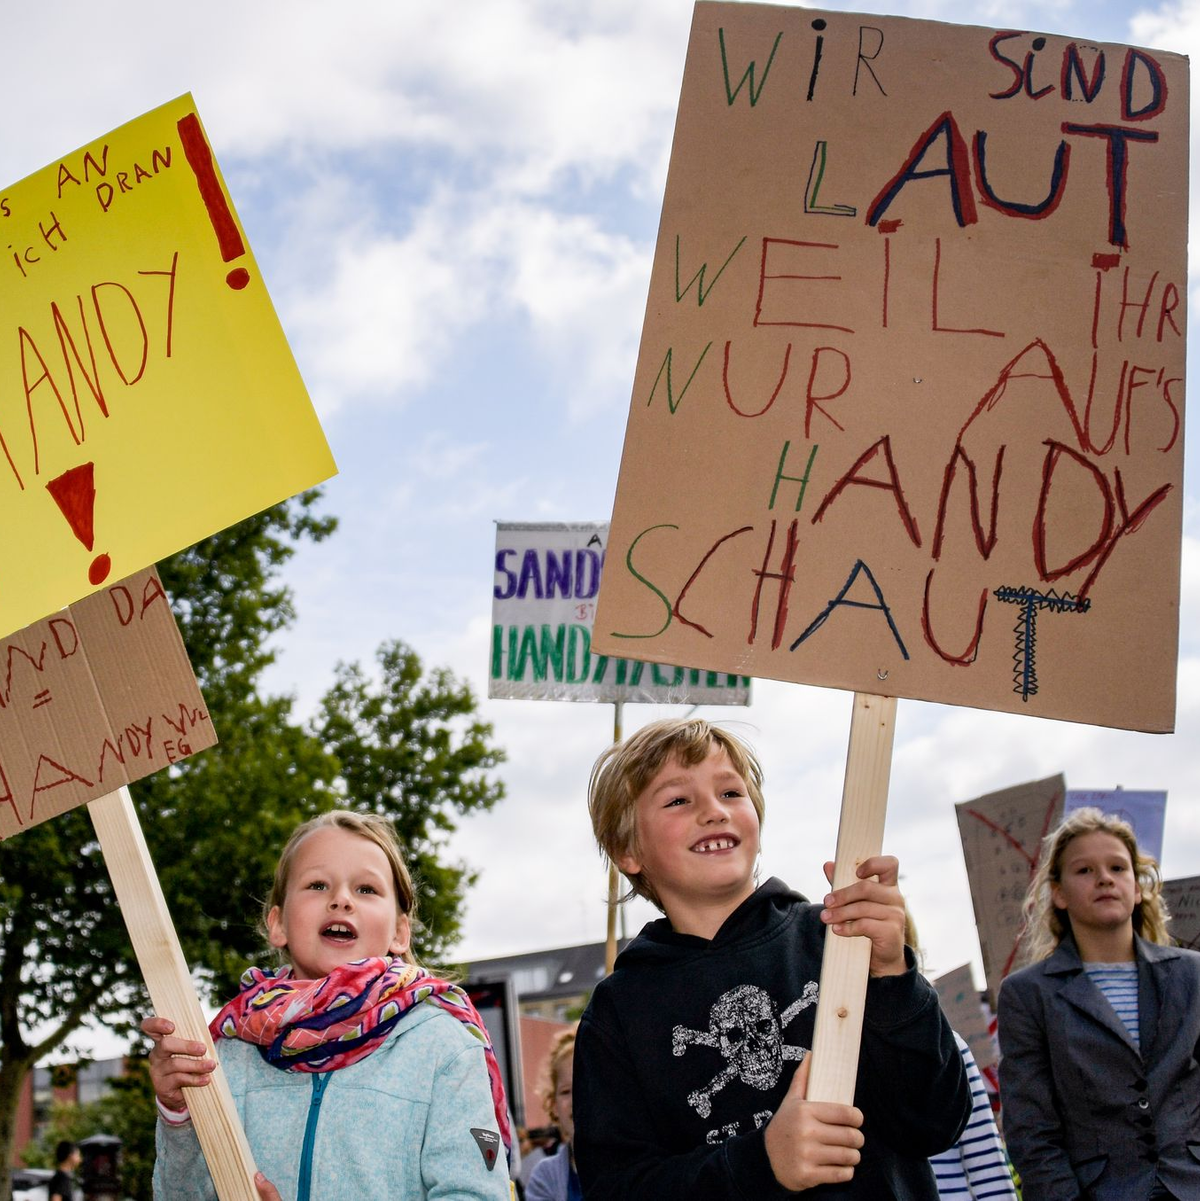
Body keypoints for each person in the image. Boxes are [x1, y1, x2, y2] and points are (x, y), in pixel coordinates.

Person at [572, 717, 970, 1199]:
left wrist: (893, 977)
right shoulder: (618, 1012)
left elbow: (935, 1122)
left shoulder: (837, 938)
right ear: (626, 850)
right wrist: (759, 1164)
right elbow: (616, 1187)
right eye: (679, 800)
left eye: (731, 793)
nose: (714, 811)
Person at [143, 809, 512, 1201]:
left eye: (366, 889)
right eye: (317, 885)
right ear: (278, 923)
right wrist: (179, 1113)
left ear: (400, 932)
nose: (341, 900)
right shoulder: (227, 1052)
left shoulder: (444, 1046)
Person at [998, 806, 1200, 1201]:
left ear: (1138, 887)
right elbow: (1032, 1130)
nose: (1104, 878)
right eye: (1084, 870)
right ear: (1058, 893)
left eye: (1118, 868)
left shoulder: (1192, 976)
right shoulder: (1027, 994)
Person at [525, 1027, 581, 1201]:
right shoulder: (545, 1177)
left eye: (584, 1087)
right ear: (553, 1105)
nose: (575, 1100)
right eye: (566, 1092)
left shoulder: (634, 1165)